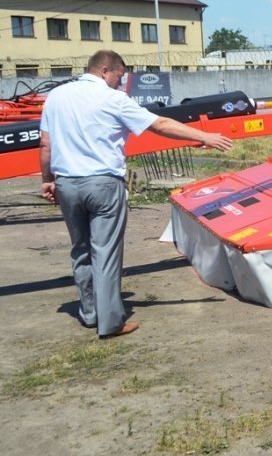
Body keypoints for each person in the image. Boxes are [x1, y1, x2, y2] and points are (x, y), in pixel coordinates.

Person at [40, 50, 233, 338]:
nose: (121, 83)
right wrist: (204, 136)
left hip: (67, 183)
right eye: (119, 76)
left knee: (81, 249)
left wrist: (47, 180)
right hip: (103, 184)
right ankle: (110, 322)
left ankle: (89, 313)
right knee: (105, 252)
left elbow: (45, 144)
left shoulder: (56, 97)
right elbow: (160, 125)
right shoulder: (113, 99)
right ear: (105, 70)